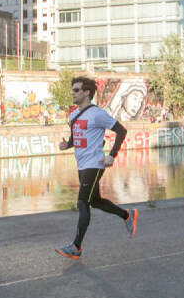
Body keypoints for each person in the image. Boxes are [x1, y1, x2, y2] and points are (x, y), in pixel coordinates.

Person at [54, 76, 137, 260]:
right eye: (72, 89)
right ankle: (127, 215)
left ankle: (76, 246)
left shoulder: (97, 114)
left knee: (82, 203)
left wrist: (111, 155)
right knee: (95, 200)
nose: (73, 93)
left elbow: (121, 131)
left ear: (86, 93)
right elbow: (76, 138)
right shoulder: (74, 115)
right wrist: (66, 145)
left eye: (76, 90)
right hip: (82, 164)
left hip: (95, 164)